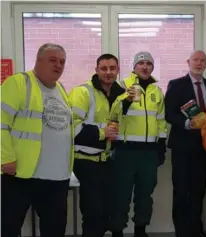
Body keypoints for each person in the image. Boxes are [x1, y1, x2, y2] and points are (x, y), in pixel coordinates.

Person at [1, 43, 74, 237]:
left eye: (62, 62)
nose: (58, 65)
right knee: (9, 227)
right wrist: (5, 159)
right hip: (21, 174)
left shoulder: (60, 89)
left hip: (57, 178)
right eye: (52, 60)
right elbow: (0, 123)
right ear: (38, 60)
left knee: (54, 229)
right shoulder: (18, 83)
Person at [107, 51, 167, 237]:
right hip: (125, 151)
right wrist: (125, 101)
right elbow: (112, 115)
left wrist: (161, 145)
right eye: (141, 63)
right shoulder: (122, 86)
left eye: (149, 63)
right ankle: (117, 230)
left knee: (145, 196)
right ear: (134, 67)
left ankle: (140, 230)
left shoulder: (157, 91)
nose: (145, 67)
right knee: (121, 195)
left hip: (148, 153)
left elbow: (161, 120)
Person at [68, 54, 125, 237]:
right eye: (104, 68)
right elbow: (72, 128)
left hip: (106, 161)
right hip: (85, 161)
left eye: (112, 68)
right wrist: (102, 133)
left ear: (118, 70)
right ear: (96, 70)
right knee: (93, 215)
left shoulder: (119, 94)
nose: (108, 72)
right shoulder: (83, 92)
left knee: (105, 215)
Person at [165, 50, 206, 237]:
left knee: (199, 190)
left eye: (203, 60)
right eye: (196, 60)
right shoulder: (176, 85)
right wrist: (187, 123)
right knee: (181, 191)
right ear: (188, 62)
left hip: (205, 146)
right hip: (182, 146)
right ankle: (181, 231)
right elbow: (169, 113)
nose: (199, 63)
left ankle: (195, 230)